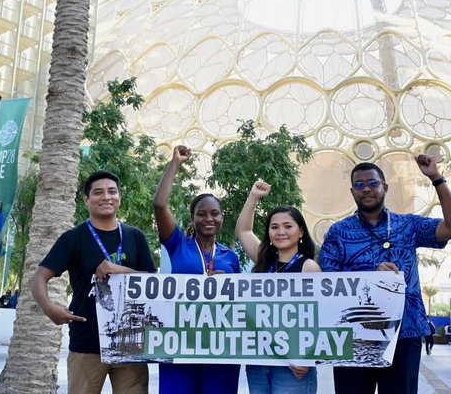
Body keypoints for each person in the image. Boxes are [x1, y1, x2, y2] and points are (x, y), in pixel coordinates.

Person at [318, 155, 451, 394]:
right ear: (352, 191)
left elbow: (449, 228)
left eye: (372, 183)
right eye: (359, 185)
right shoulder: (338, 232)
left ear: (384, 187)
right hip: (353, 334)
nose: (366, 188)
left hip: (405, 330)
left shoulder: (407, 225)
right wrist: (372, 276)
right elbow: (326, 281)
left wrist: (436, 178)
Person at [31, 170, 156, 394]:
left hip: (131, 341)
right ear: (86, 199)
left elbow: (153, 284)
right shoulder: (73, 238)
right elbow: (39, 276)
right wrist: (48, 307)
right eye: (98, 193)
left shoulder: (134, 236)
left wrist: (122, 270)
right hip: (87, 342)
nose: (106, 197)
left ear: (119, 197)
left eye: (112, 192)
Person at [153, 145, 241, 394]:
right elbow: (160, 205)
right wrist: (175, 164)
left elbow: (243, 301)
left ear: (222, 217)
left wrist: (231, 285)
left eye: (215, 213)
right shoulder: (178, 243)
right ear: (192, 218)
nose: (208, 218)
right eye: (201, 214)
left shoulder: (230, 256)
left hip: (221, 345)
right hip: (179, 342)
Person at [235, 180, 320, 394]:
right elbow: (243, 231)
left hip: (293, 363)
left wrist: (306, 357)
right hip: (259, 361)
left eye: (288, 226)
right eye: (274, 227)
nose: (280, 231)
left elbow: (318, 317)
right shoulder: (264, 259)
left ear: (300, 232)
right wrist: (253, 197)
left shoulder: (308, 267)